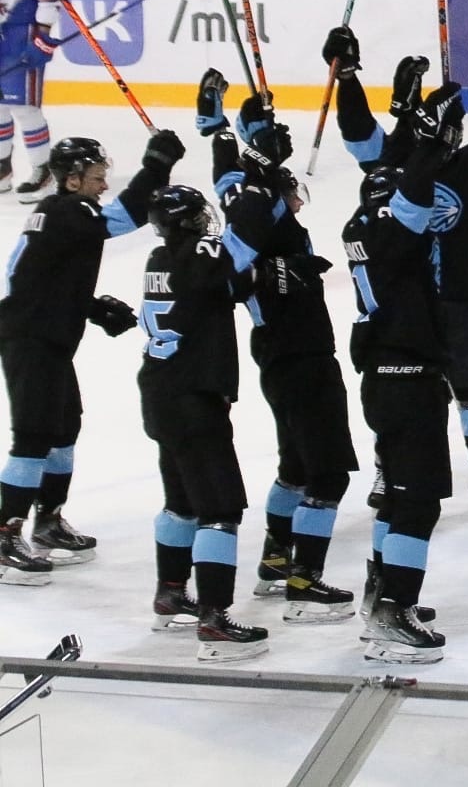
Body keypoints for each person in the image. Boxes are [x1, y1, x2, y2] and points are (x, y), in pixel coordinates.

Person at [324, 27, 468, 508]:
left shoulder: (467, 166)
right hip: (406, 307)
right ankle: (386, 465)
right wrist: (348, 78)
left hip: (457, 295)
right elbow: (359, 135)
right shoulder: (397, 161)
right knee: (400, 391)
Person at [196, 73, 359, 622]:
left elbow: (228, 180)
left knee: (295, 464)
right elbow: (238, 270)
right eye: (291, 190)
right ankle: (303, 580)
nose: (296, 198)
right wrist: (280, 270)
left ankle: (273, 561)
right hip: (300, 354)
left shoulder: (252, 203)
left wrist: (235, 126)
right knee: (328, 472)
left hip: (280, 354)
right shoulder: (263, 213)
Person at [1, 128, 181, 583]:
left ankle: (48, 519)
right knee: (35, 434)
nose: (104, 185)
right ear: (74, 179)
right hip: (30, 338)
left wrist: (92, 307)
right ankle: (4, 535)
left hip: (45, 334)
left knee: (65, 427)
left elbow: (46, 277)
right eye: (98, 176)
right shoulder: (67, 210)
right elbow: (122, 219)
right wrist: (156, 166)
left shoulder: (60, 214)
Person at [342, 86, 463, 663]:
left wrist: (417, 138)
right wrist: (431, 143)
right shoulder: (392, 229)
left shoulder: (361, 227)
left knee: (396, 497)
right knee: (418, 502)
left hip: (384, 380)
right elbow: (414, 197)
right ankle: (394, 612)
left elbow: (407, 195)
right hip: (407, 381)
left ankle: (382, 592)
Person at [136, 184, 272, 661]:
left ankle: (171, 592)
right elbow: (247, 240)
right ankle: (214, 617)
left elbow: (228, 284)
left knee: (181, 501)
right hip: (194, 399)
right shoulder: (200, 252)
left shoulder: (159, 258)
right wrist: (255, 189)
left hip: (160, 394)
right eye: (198, 216)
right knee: (219, 508)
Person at [0, 0, 60, 198]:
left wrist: (42, 37)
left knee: (23, 107)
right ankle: (2, 167)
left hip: (20, 34)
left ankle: (43, 171)